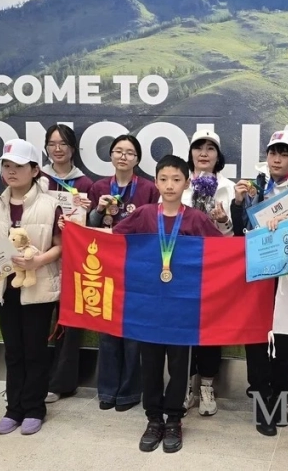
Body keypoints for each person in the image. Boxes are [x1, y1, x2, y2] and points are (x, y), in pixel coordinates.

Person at [113, 154, 223, 453]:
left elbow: (221, 251)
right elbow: (116, 242)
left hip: (183, 309)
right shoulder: (145, 214)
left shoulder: (196, 218)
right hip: (148, 307)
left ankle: (173, 419)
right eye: (164, 179)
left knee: (179, 366)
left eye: (177, 179)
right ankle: (153, 418)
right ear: (156, 181)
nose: (170, 185)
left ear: (187, 183)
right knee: (149, 364)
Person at [0, 139, 63, 436]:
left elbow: (61, 246)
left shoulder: (50, 204)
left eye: (18, 166)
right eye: (6, 166)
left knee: (34, 349)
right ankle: (13, 408)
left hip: (38, 286)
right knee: (13, 350)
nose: (11, 171)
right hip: (4, 288)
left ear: (34, 170)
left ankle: (34, 408)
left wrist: (38, 261)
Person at [231, 130, 288, 436]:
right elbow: (239, 231)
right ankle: (262, 403)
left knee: (284, 339)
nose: (277, 158)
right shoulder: (254, 185)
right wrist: (237, 204)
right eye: (273, 152)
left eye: (284, 153)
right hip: (256, 274)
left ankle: (280, 399)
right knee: (256, 337)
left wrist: (287, 224)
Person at [87, 135, 159, 411]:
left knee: (133, 333)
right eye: (118, 151)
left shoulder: (150, 189)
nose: (123, 156)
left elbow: (154, 224)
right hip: (105, 266)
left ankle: (129, 393)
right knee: (107, 331)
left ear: (137, 159)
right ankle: (107, 390)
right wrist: (98, 209)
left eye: (130, 153)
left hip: (138, 267)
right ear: (111, 156)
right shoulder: (99, 187)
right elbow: (89, 226)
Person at [180, 130, 234, 417]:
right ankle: (188, 385)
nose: (204, 153)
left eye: (210, 148)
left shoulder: (229, 187)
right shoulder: (180, 183)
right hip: (183, 264)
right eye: (198, 147)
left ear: (218, 155)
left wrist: (223, 221)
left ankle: (207, 386)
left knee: (212, 327)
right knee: (185, 326)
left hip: (216, 266)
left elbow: (235, 235)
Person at [40, 124, 93, 404]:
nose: (57, 149)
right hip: (40, 256)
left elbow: (92, 226)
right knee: (36, 322)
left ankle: (61, 382)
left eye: (63, 144)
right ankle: (34, 378)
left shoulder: (85, 184)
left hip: (74, 261)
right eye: (52, 143)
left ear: (73, 148)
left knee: (69, 322)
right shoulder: (37, 178)